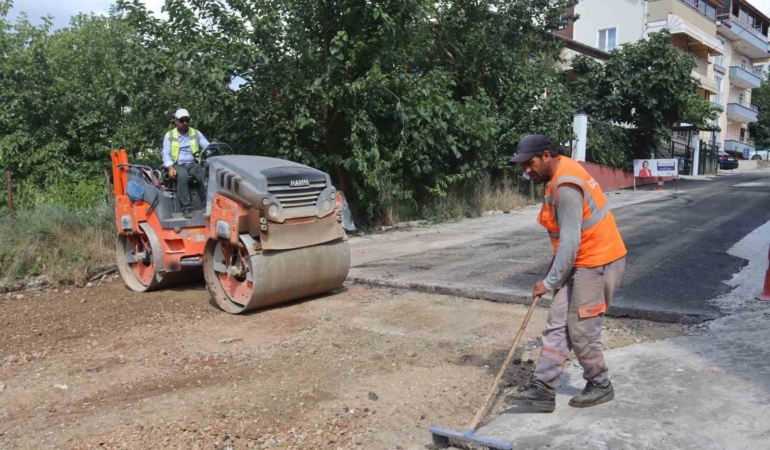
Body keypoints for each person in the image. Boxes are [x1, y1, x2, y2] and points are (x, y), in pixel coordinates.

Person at [508, 135, 627, 412]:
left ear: (547, 155)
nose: (526, 170)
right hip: (580, 261)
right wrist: (551, 276)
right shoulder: (555, 177)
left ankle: (600, 383)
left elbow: (570, 243)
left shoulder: (566, 185)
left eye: (530, 163)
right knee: (557, 324)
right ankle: (543, 389)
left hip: (598, 262)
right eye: (523, 165)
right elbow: (566, 243)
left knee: (582, 327)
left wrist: (549, 282)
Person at [162, 109, 210, 218]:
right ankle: (187, 207)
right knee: (182, 175)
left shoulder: (195, 133)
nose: (185, 123)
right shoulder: (169, 135)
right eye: (182, 120)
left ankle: (207, 203)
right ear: (176, 121)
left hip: (192, 163)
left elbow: (207, 146)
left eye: (187, 120)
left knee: (203, 172)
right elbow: (165, 154)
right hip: (177, 164)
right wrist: (170, 168)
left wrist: (212, 148)